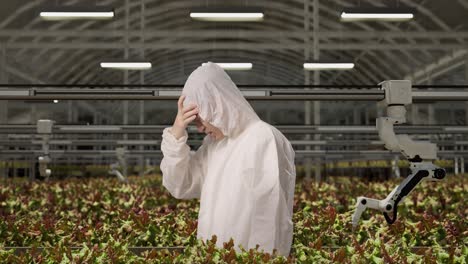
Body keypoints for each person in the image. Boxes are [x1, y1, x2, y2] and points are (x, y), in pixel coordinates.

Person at [160, 62, 296, 256]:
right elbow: (180, 184)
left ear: (217, 105)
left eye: (200, 119)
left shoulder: (262, 138)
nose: (200, 128)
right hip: (216, 257)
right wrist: (176, 133)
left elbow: (268, 220)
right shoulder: (215, 146)